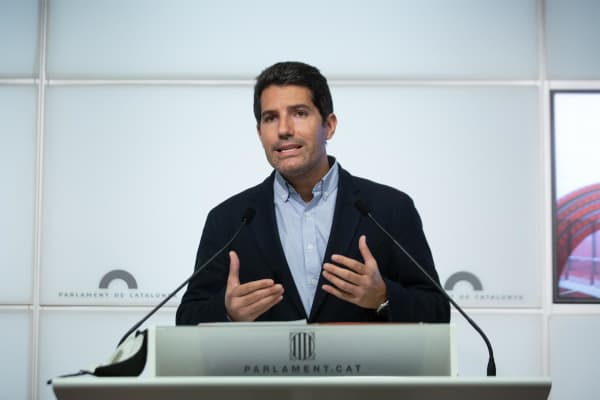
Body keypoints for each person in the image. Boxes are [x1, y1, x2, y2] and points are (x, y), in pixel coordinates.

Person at [176, 61, 450, 324]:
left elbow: (438, 311)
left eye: (299, 113)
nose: (284, 130)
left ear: (328, 126)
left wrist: (384, 297)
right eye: (271, 118)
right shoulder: (228, 220)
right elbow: (188, 318)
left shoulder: (390, 209)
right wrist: (227, 312)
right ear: (260, 133)